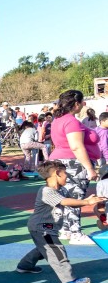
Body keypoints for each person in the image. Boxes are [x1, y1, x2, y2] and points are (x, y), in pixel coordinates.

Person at [16, 160, 104, 283]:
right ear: (57, 173)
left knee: (44, 249)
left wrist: (88, 200)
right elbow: (64, 202)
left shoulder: (61, 189)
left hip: (48, 228)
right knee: (57, 251)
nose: (67, 176)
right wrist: (87, 202)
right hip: (42, 228)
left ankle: (25, 266)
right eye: (65, 173)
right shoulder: (46, 191)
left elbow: (71, 202)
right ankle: (69, 281)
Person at [49, 90, 100, 245]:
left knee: (65, 197)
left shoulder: (58, 120)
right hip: (73, 163)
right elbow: (76, 146)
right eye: (82, 102)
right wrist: (89, 168)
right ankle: (75, 233)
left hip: (60, 161)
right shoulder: (70, 121)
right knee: (75, 198)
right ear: (76, 104)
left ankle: (66, 229)